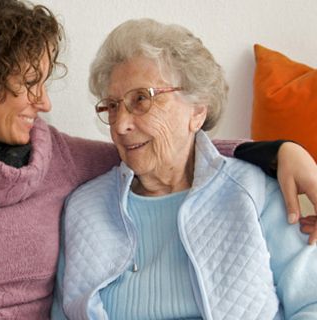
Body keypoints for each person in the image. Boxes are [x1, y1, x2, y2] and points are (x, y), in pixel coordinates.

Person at [0, 1, 317, 319]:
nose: (45, 102)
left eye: (142, 99)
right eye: (30, 84)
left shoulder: (56, 157)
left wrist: (277, 151)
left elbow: (160, 153)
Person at [52, 18, 317, 320]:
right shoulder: (83, 209)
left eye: (141, 99)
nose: (122, 125)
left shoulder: (254, 191)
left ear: (197, 111)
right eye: (112, 106)